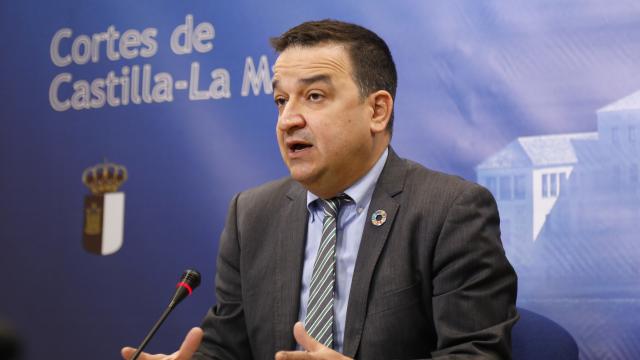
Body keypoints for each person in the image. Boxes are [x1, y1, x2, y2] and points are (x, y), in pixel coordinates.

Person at [122, 19, 518, 360]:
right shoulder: (251, 215)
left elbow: (476, 353)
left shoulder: (449, 210)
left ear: (377, 111)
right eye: (280, 100)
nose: (288, 120)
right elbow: (229, 346)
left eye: (314, 96)